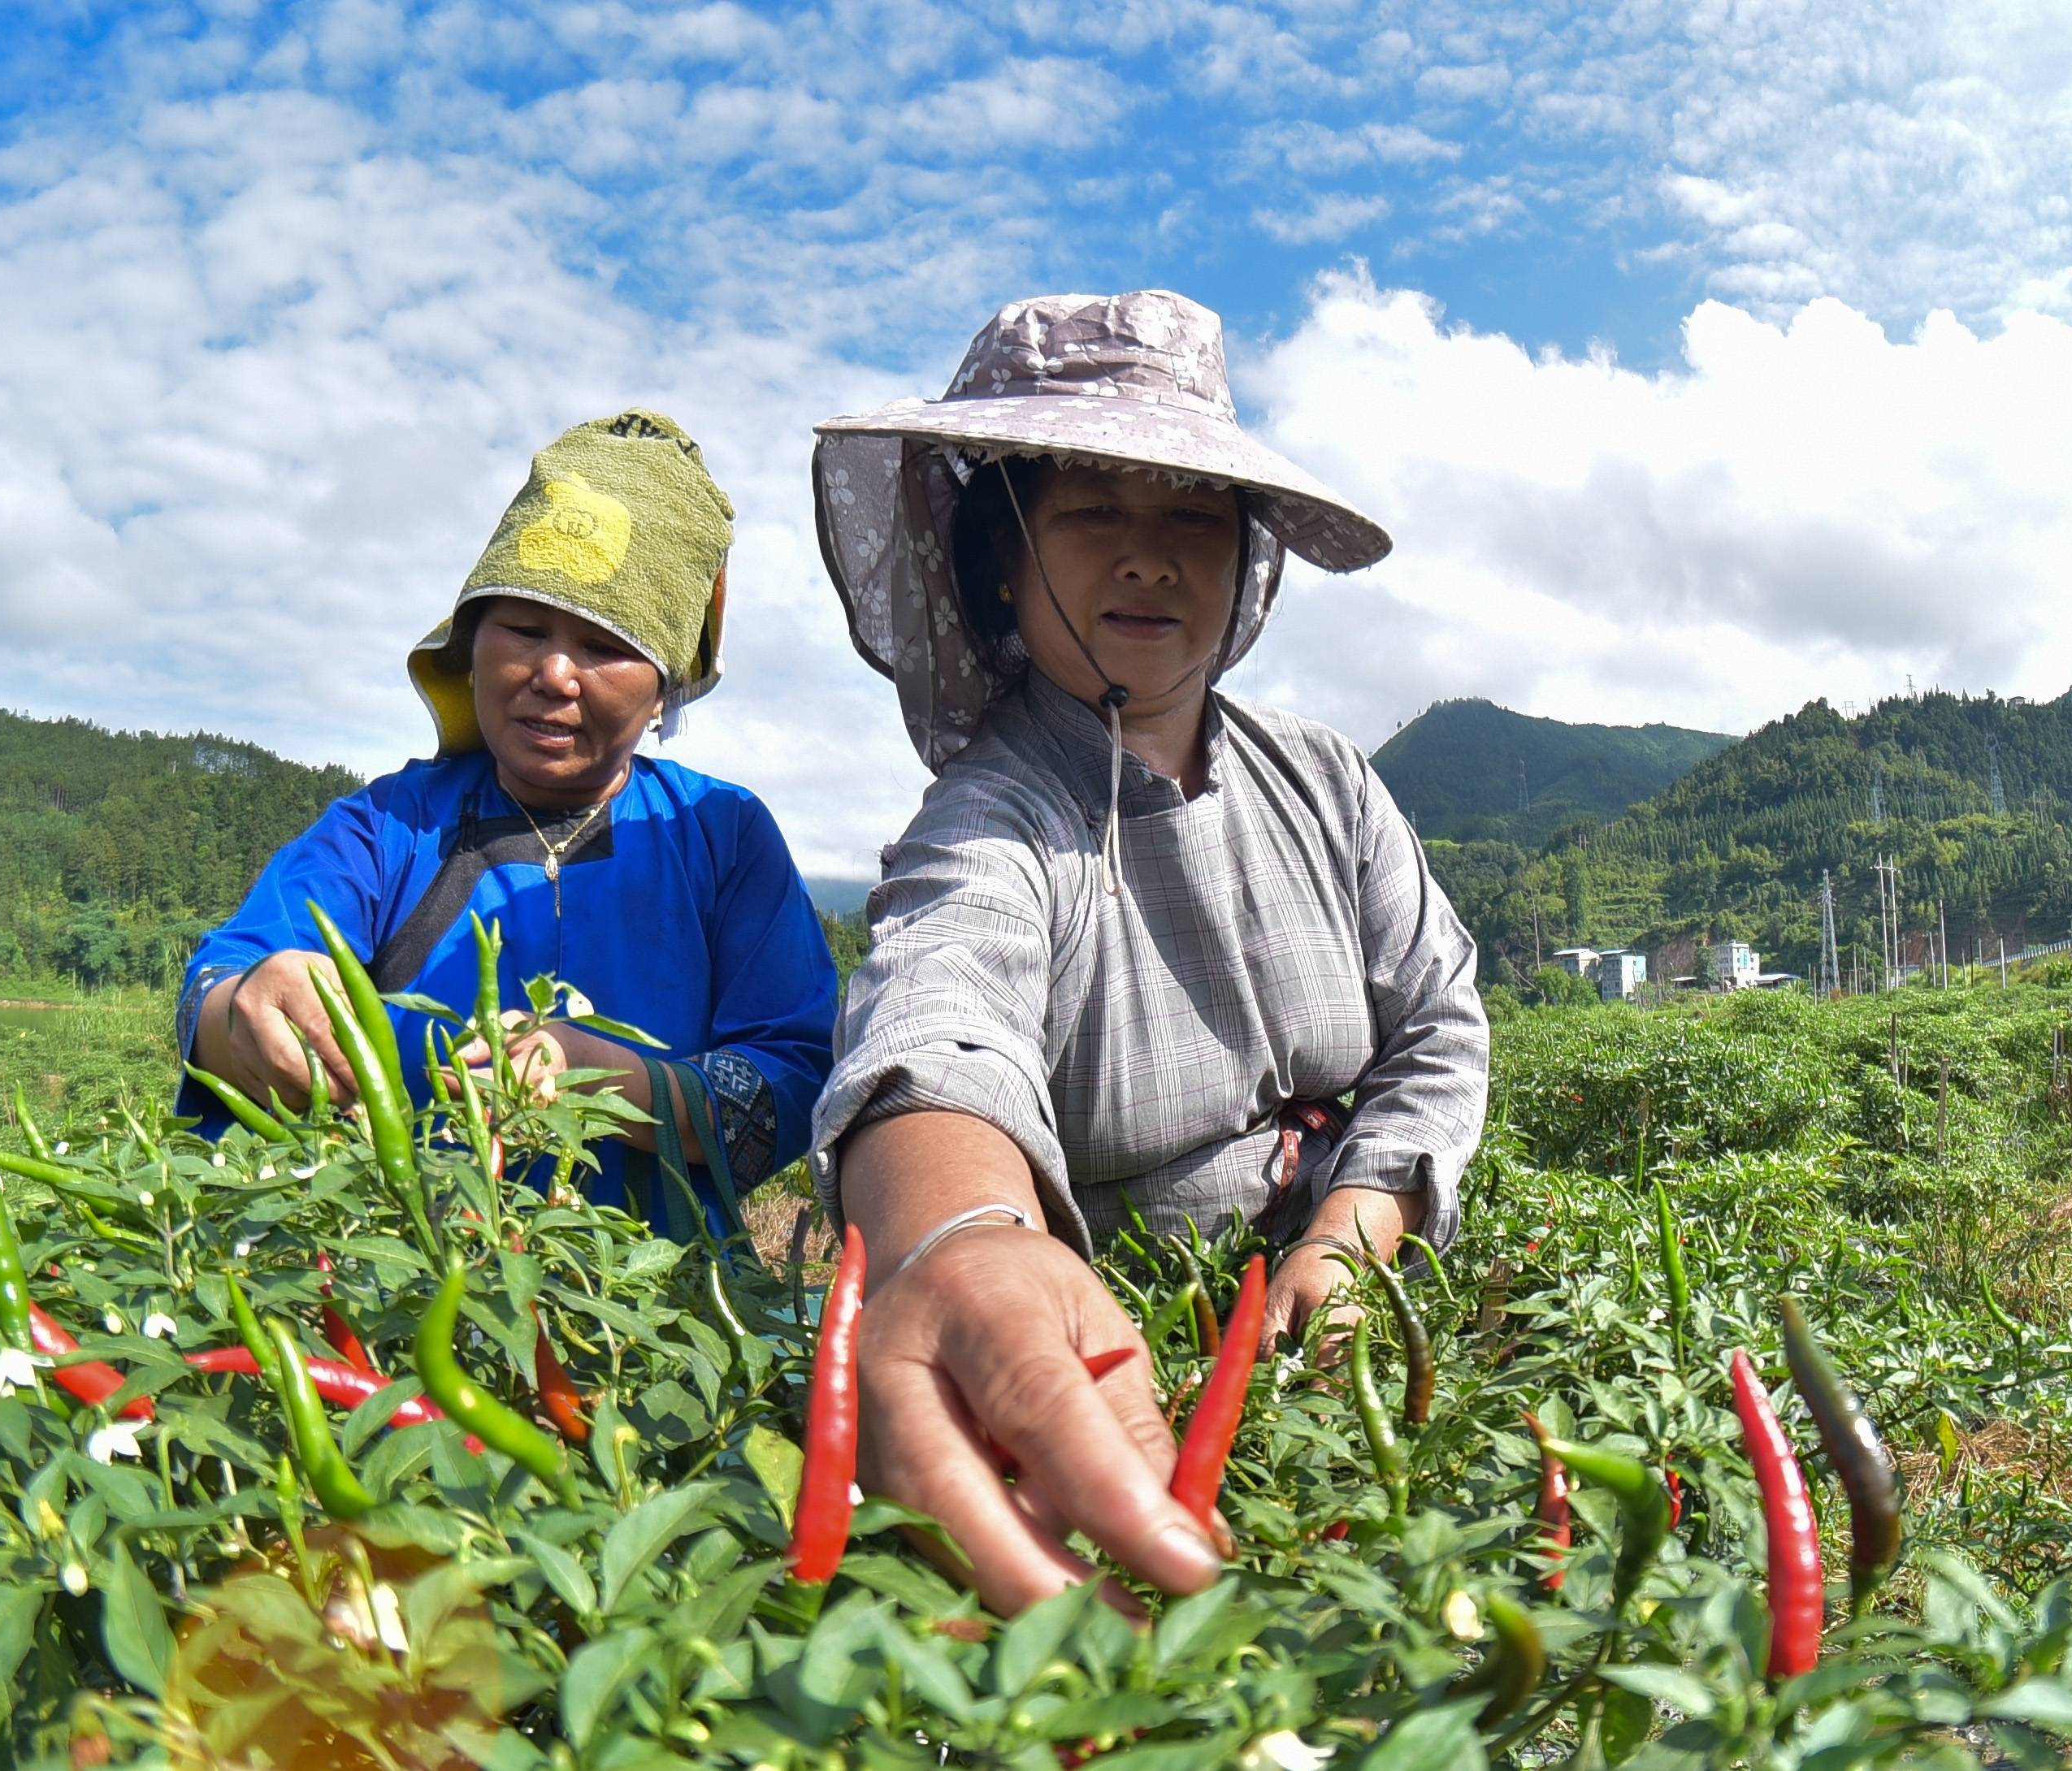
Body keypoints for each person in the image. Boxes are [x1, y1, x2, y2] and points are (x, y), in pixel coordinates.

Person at [808, 292, 1489, 1612]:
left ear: (1244, 565)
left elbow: (1439, 1027)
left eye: (1190, 518)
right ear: (1000, 557)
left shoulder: (1325, 782)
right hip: (1113, 1369)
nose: (1146, 558)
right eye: (1092, 514)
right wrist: (959, 1232)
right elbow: (934, 1018)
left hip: (1348, 1324)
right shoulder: (994, 818)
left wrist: (1353, 1231)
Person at [180, 409, 838, 1232]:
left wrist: (601, 1074)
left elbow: (795, 1075)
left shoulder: (721, 834)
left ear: (664, 686)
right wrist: (242, 1008)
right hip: (397, 1287)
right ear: (470, 644)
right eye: (525, 628)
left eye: (604, 644)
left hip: (654, 1313)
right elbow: (226, 978)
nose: (554, 673)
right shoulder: (388, 827)